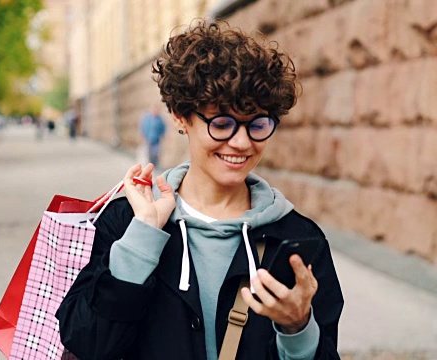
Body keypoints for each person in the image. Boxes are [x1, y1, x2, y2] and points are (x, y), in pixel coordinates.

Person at [57, 20, 343, 360]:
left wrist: (297, 329)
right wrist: (141, 240)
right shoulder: (126, 224)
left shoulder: (296, 237)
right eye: (221, 123)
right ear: (180, 116)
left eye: (258, 124)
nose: (241, 142)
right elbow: (87, 344)